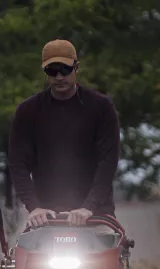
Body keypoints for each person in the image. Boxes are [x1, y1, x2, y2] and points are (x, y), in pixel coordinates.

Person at [8, 39, 121, 233]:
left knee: (106, 257)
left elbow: (108, 161)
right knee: (25, 257)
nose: (59, 76)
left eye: (65, 69)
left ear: (76, 67)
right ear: (45, 72)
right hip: (46, 217)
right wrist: (33, 207)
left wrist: (89, 207)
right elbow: (18, 163)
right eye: (52, 71)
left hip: (95, 215)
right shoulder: (28, 111)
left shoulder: (101, 107)